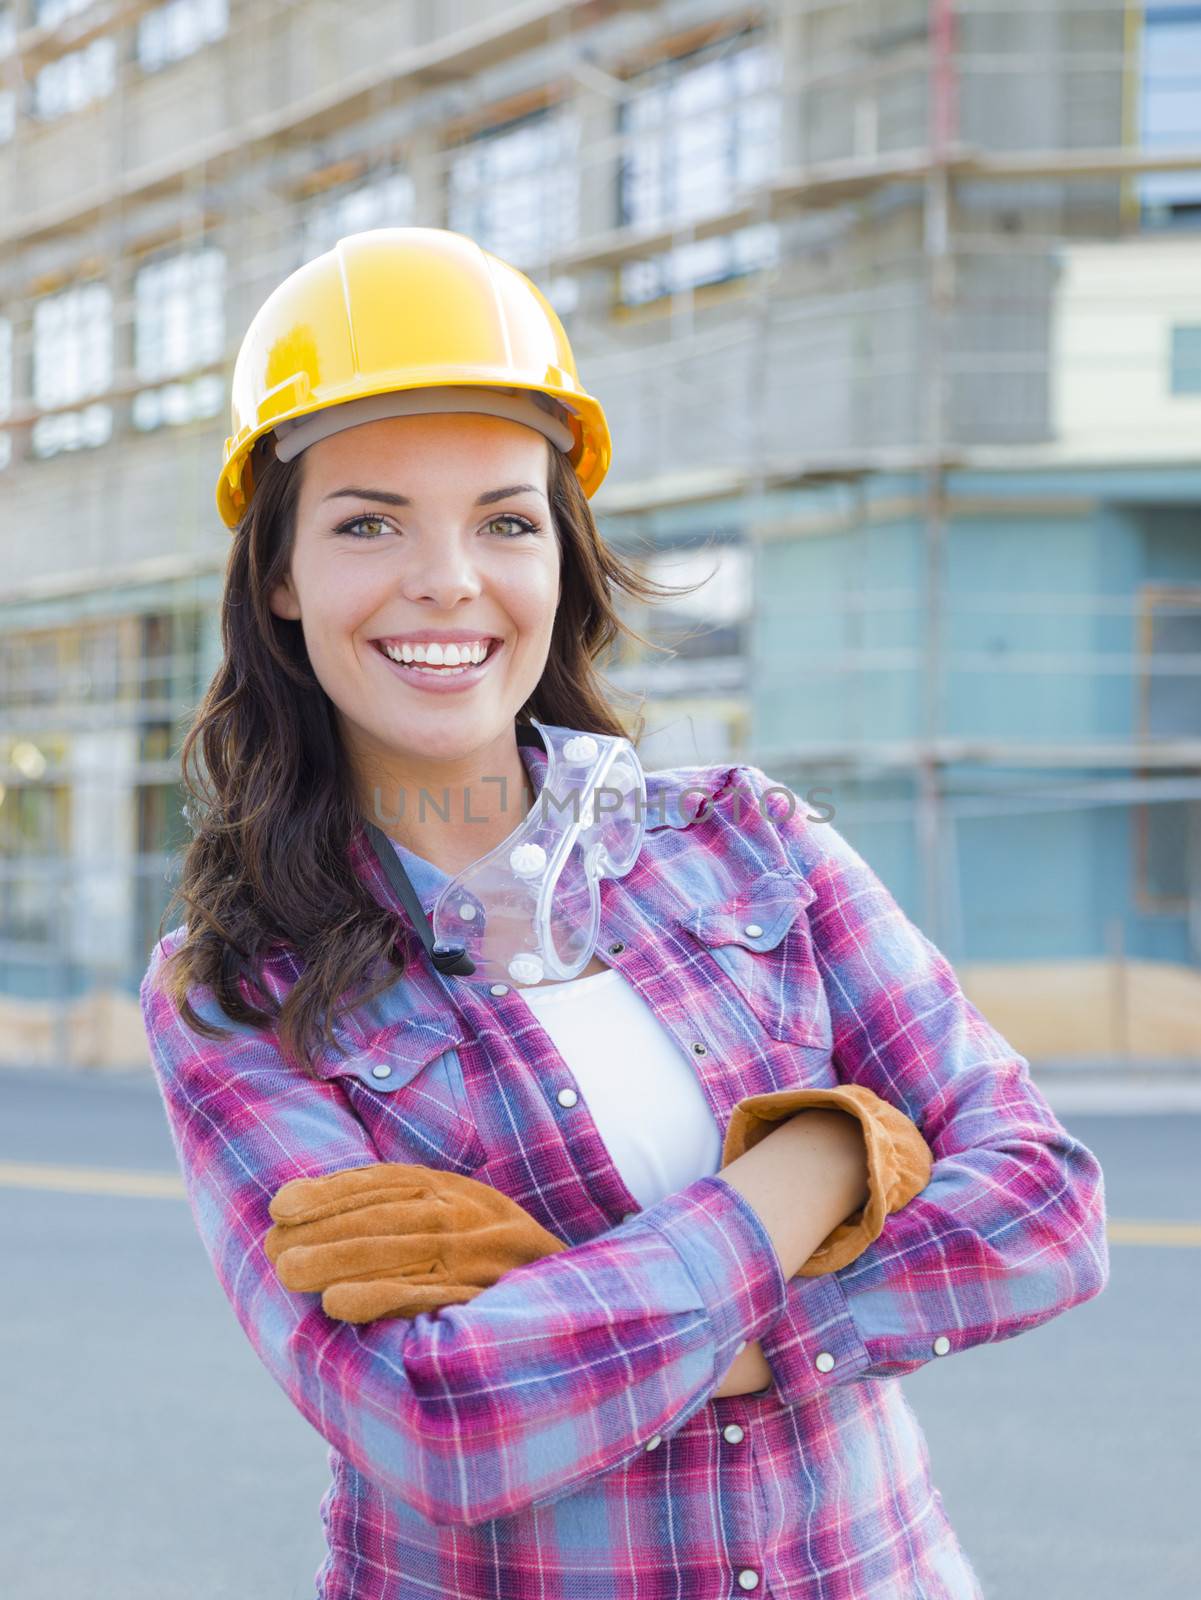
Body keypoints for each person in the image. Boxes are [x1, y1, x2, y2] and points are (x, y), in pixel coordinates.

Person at [140, 227, 1110, 1599]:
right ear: (281, 576)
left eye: (503, 519)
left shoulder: (748, 845)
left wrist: (646, 1323)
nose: (445, 580)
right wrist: (815, 1168)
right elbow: (443, 1429)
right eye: (368, 521)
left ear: (559, 556)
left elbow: (1043, 1208)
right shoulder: (234, 989)